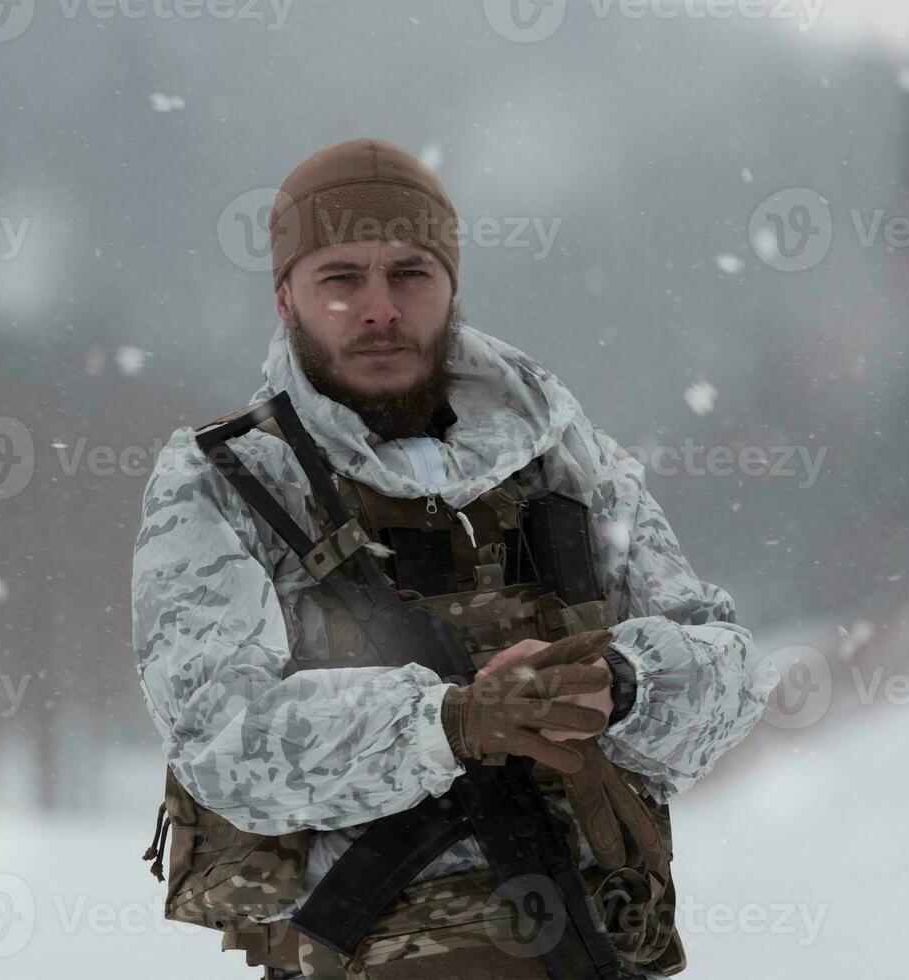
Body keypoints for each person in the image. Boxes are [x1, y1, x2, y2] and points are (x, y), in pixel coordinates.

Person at [132, 137, 779, 979]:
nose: (378, 308)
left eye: (409, 274)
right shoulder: (228, 479)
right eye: (341, 279)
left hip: (589, 941)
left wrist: (619, 685)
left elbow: (731, 669)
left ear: (450, 287)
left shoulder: (560, 454)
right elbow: (220, 737)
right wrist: (449, 724)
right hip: (368, 950)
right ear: (285, 299)